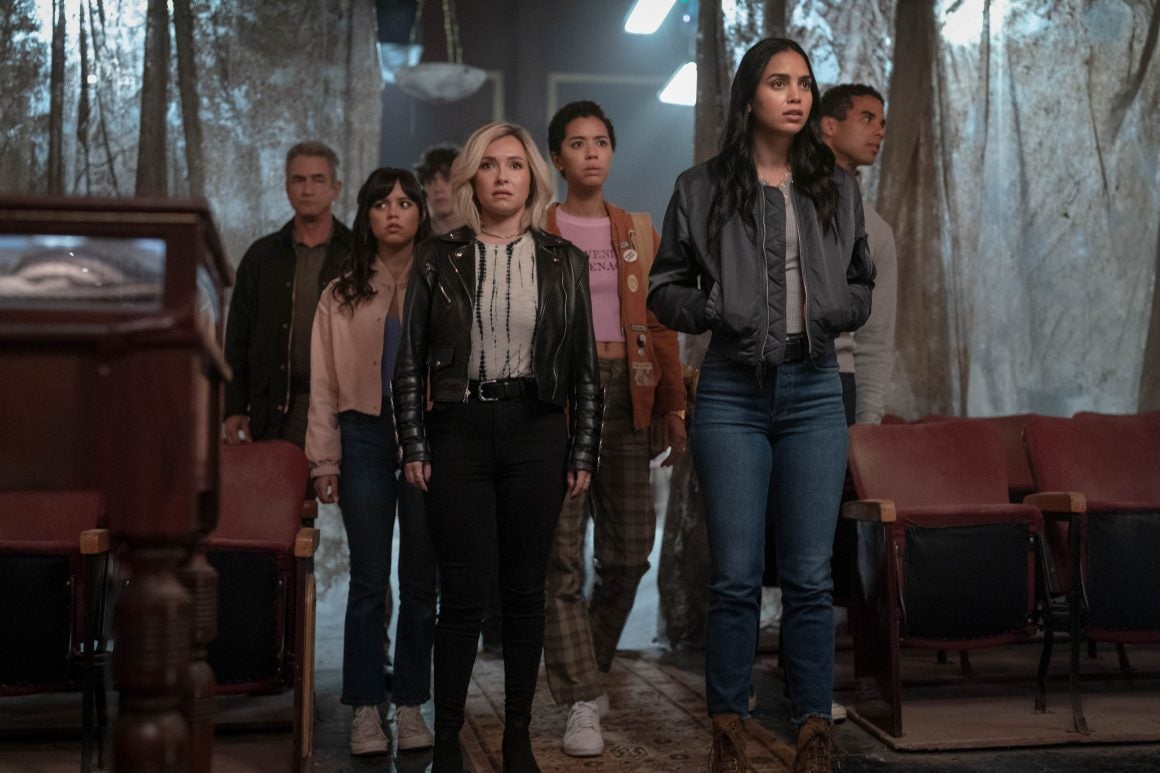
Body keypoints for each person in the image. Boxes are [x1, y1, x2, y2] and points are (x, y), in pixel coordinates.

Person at [648, 38, 876, 773]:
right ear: (749, 96)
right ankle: (729, 732)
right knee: (737, 578)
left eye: (804, 82)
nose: (796, 94)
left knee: (810, 577)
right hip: (731, 395)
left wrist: (838, 309)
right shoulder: (701, 187)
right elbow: (663, 288)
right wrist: (713, 307)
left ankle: (813, 731)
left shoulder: (836, 187)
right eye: (779, 82)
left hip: (815, 391)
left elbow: (862, 281)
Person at [393, 121, 601, 773]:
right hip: (457, 429)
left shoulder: (564, 259)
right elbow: (409, 361)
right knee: (461, 593)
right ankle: (447, 740)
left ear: (532, 178)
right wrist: (413, 441)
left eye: (514, 164)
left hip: (536, 431)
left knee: (525, 591)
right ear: (472, 179)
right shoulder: (437, 256)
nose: (503, 175)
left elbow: (586, 368)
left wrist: (583, 448)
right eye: (489, 164)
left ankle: (517, 738)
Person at [541, 100, 686, 757]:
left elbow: (660, 322)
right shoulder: (538, 227)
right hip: (559, 401)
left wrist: (672, 405)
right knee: (560, 558)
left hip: (629, 391)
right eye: (577, 143)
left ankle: (588, 665)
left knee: (629, 552)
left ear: (613, 151)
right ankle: (579, 697)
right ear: (557, 157)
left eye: (600, 141)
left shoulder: (637, 231)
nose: (591, 152)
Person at [305, 168, 436, 756]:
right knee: (368, 579)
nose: (393, 212)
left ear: (420, 213)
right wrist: (323, 460)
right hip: (362, 435)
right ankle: (364, 708)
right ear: (366, 216)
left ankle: (410, 705)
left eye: (405, 203)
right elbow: (323, 384)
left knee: (420, 579)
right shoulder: (340, 293)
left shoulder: (442, 281)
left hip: (427, 437)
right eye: (382, 204)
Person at [223, 141, 351, 448]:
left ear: (335, 188)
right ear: (286, 188)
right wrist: (234, 407)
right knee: (278, 479)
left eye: (318, 179)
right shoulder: (261, 256)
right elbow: (238, 336)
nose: (307, 190)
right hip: (274, 406)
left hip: (345, 407)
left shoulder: (357, 253)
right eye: (298, 180)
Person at [820, 84, 898, 426]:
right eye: (867, 118)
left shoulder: (875, 229)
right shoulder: (780, 200)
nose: (879, 131)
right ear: (828, 125)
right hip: (763, 371)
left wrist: (869, 423)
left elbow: (875, 338)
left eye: (882, 123)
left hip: (837, 381)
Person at [414, 143, 462, 235]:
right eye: (430, 181)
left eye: (447, 179)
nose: (438, 189)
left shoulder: (484, 234)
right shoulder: (414, 236)